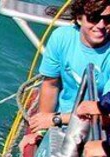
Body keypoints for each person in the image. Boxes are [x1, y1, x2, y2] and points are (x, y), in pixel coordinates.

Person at [21, 0, 110, 149]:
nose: (100, 25)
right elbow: (51, 84)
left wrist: (56, 119)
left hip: (98, 130)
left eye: (108, 19)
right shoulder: (61, 38)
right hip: (62, 119)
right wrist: (41, 128)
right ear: (79, 18)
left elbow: (106, 113)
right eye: (93, 18)